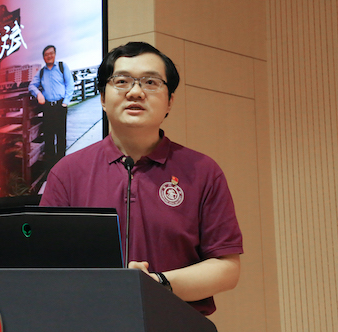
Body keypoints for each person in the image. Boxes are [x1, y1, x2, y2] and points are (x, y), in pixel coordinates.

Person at [39, 42, 242, 315]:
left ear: (170, 101)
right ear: (102, 98)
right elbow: (46, 266)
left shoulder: (202, 171)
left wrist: (158, 284)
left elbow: (227, 267)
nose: (135, 92)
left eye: (150, 82)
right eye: (122, 81)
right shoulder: (67, 173)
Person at [28, 45, 75, 167]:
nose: (49, 56)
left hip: (60, 106)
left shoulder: (62, 66)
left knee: (61, 136)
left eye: (51, 53)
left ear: (55, 54)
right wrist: (38, 94)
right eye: (46, 54)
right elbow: (31, 86)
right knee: (48, 137)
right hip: (48, 108)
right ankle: (51, 167)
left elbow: (70, 84)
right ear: (43, 57)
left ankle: (62, 165)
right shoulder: (41, 72)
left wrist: (65, 102)